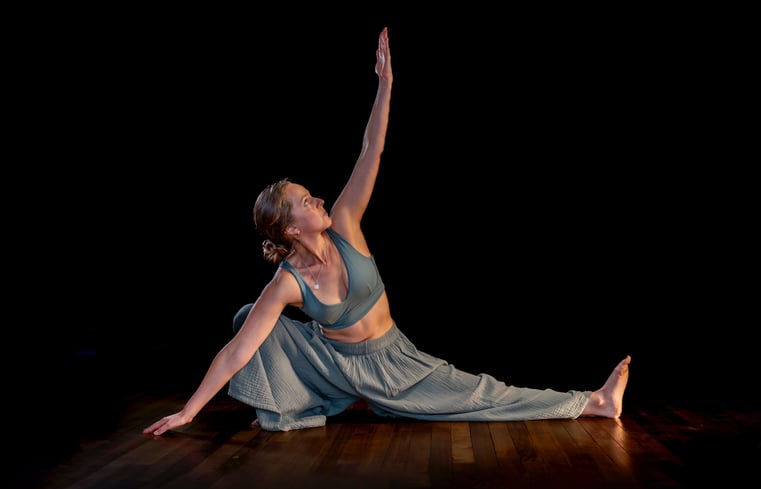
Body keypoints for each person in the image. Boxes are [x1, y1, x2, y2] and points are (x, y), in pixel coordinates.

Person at [143, 26, 630, 436]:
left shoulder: (345, 224)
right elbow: (238, 351)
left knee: (479, 393)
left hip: (393, 360)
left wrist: (386, 84)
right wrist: (189, 412)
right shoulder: (286, 282)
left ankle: (595, 402)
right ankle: (290, 405)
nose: (318, 199)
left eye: (313, 194)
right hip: (335, 367)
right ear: (291, 227)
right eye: (307, 201)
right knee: (248, 317)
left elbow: (370, 149)